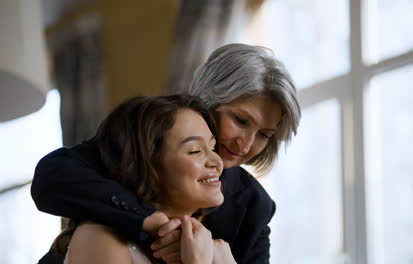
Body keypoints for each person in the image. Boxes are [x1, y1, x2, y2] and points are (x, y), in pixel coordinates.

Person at [32, 43, 301, 264]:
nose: (246, 144)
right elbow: (51, 178)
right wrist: (149, 222)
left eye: (264, 134)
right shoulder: (139, 142)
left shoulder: (255, 206)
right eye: (241, 121)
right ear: (210, 97)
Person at [61, 95, 235, 264]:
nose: (217, 162)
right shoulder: (99, 237)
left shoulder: (204, 245)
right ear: (147, 165)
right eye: (195, 150)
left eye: (212, 148)